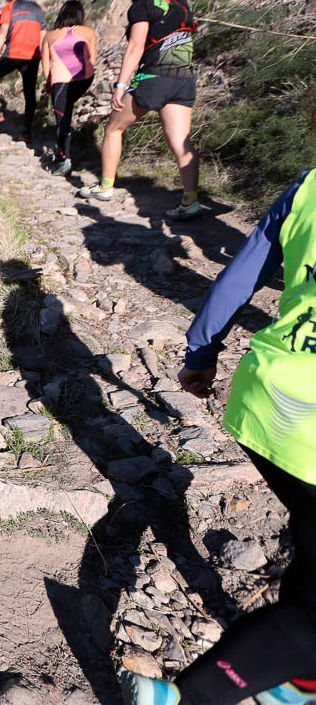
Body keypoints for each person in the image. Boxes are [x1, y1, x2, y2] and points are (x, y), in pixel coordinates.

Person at [122, 166, 316, 705]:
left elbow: (241, 273)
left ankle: (298, 685)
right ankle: (188, 698)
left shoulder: (307, 187)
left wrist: (201, 352)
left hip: (269, 399)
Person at [78, 0, 201, 219]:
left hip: (153, 77)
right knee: (181, 142)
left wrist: (121, 86)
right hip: (183, 78)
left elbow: (135, 46)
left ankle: (105, 186)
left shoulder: (143, 4)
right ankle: (190, 200)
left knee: (114, 127)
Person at [41, 0, 97, 176]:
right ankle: (69, 149)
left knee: (62, 119)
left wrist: (50, 83)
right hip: (84, 79)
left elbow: (45, 68)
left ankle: (63, 159)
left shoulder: (50, 36)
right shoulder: (88, 32)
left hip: (61, 80)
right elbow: (93, 59)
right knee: (69, 106)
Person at [0, 0, 45, 141]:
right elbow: (43, 36)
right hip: (33, 55)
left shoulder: (10, 7)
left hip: (14, 53)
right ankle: (27, 130)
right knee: (29, 91)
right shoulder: (38, 9)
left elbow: (3, 33)